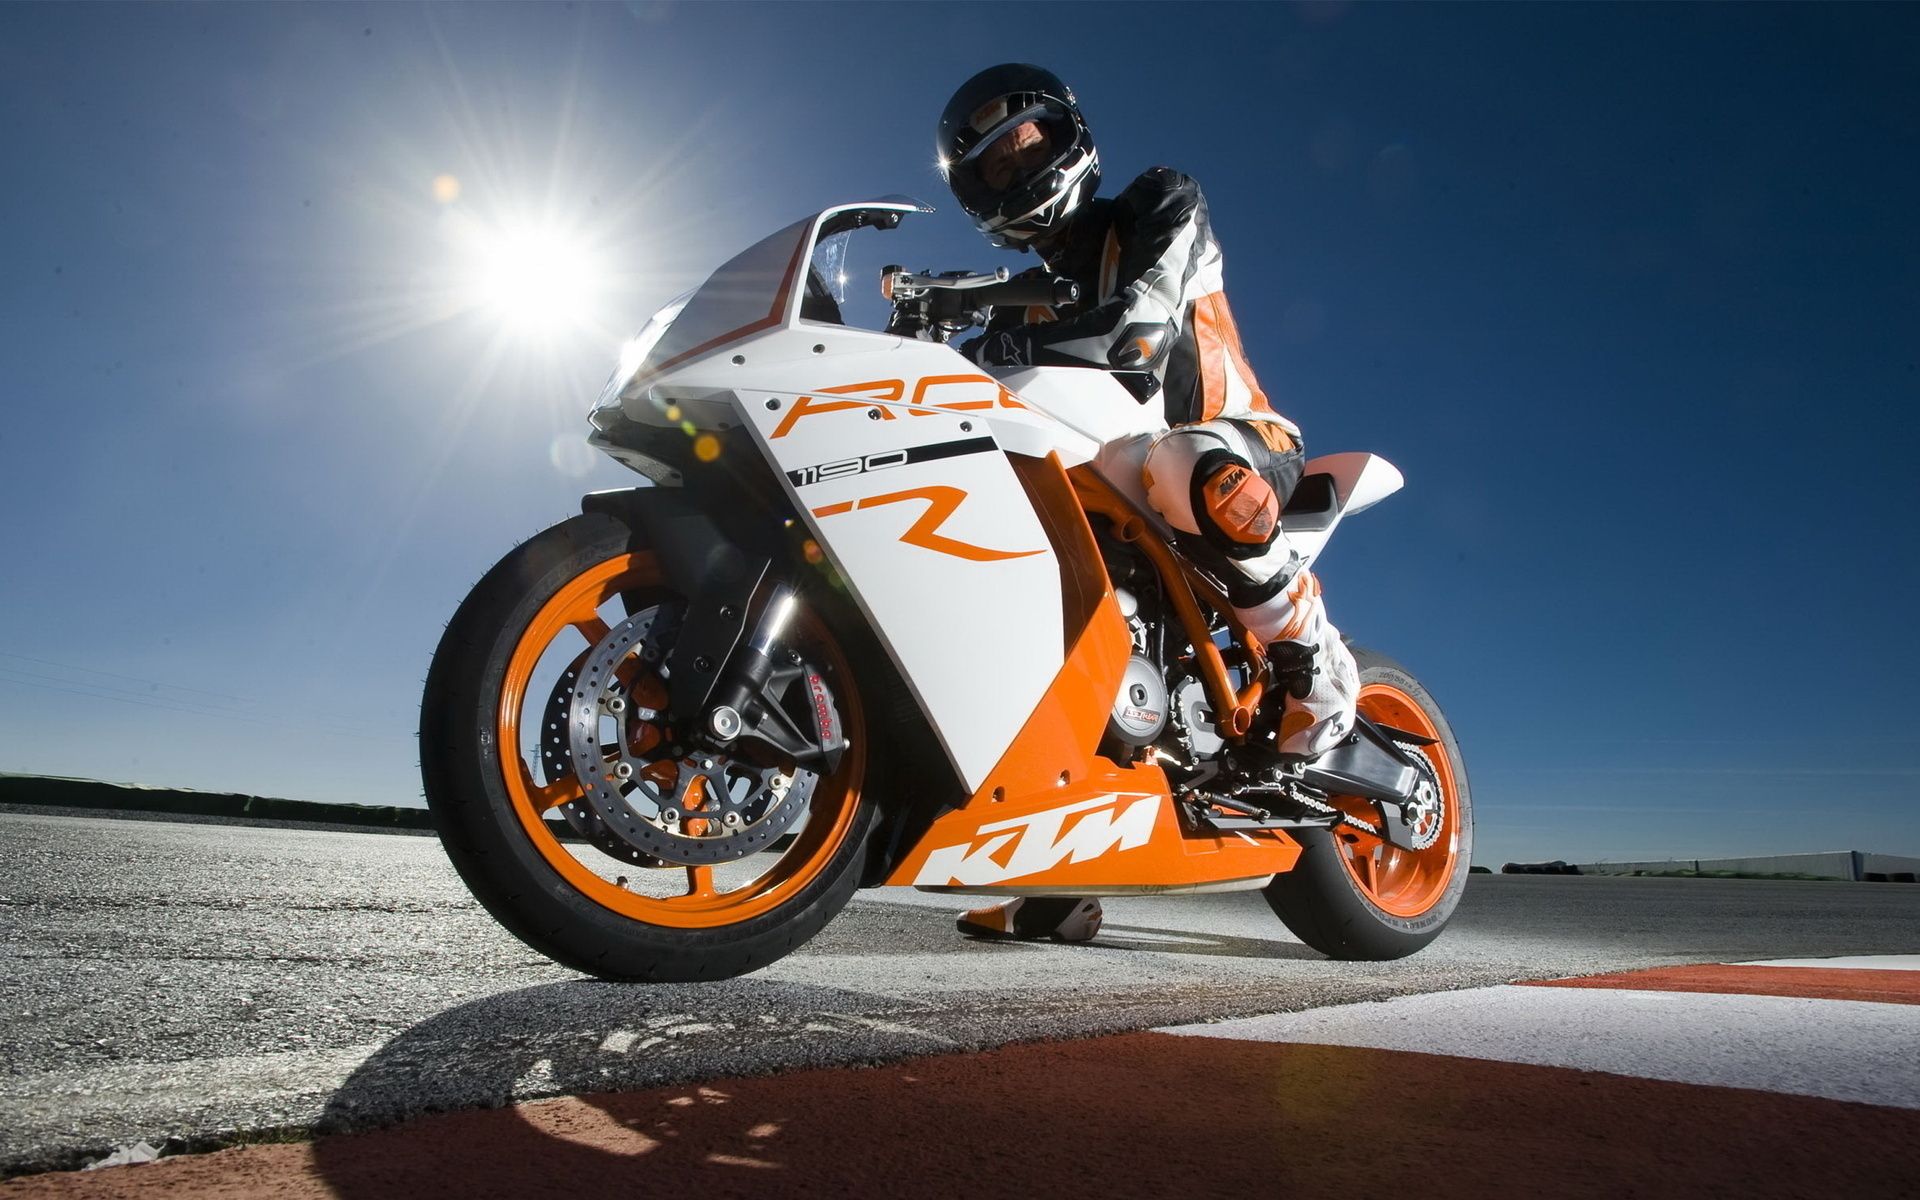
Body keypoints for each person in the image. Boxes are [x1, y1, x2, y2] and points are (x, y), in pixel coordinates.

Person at [936, 64, 1360, 944]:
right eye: (997, 167)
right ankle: (1057, 868)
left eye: (1028, 145)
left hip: (1233, 443)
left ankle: (1313, 658)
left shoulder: (1157, 204)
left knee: (1181, 457)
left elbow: (1136, 334)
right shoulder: (1019, 309)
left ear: (1069, 138)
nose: (1019, 169)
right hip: (1105, 479)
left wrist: (987, 331)